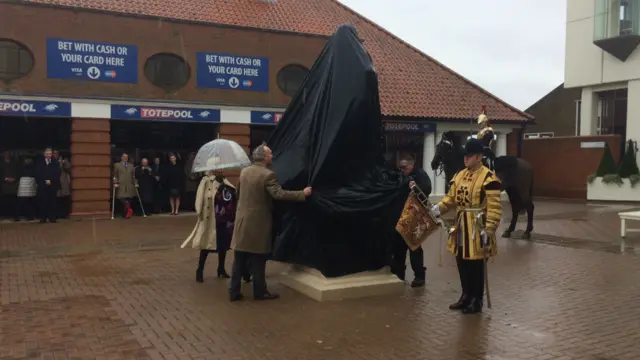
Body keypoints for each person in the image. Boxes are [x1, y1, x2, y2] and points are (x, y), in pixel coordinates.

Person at [229, 144, 312, 302]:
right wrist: (303, 193)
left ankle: (233, 292)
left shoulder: (244, 172)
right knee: (258, 259)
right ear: (264, 157)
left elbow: (237, 194)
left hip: (241, 221)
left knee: (238, 259)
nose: (272, 156)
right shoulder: (268, 175)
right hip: (258, 223)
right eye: (270, 154)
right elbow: (278, 194)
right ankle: (260, 292)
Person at [431, 138, 502, 314]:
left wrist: (490, 228)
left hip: (478, 226)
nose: (465, 159)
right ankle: (465, 295)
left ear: (479, 157)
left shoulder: (488, 178)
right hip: (461, 224)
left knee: (476, 264)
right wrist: (439, 207)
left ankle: (476, 299)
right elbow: (451, 198)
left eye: (469, 156)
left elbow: (494, 206)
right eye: (465, 156)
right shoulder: (460, 174)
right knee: (461, 260)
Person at [182, 172, 237, 282]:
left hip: (223, 218)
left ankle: (221, 268)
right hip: (210, 218)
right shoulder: (206, 181)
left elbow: (231, 195)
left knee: (223, 244)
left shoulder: (225, 181)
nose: (221, 170)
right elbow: (200, 198)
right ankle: (200, 270)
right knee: (206, 245)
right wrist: (200, 213)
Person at [391, 157, 432, 287]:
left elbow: (425, 190)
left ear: (411, 165)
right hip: (401, 216)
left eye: (405, 167)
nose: (402, 170)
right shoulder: (401, 176)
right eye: (400, 168)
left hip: (415, 217)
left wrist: (414, 187)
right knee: (399, 247)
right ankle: (399, 274)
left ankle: (419, 276)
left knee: (414, 247)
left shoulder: (420, 175)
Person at [35, 148, 61, 223]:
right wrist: (45, 181)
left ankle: (52, 217)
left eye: (50, 154)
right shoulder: (39, 163)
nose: (49, 155)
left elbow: (57, 173)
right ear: (44, 154)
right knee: (43, 202)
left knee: (52, 202)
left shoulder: (55, 162)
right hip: (42, 186)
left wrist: (50, 181)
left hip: (52, 186)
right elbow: (37, 173)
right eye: (47, 154)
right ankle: (43, 218)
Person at [112, 153, 138, 219]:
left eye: (126, 157)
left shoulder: (131, 166)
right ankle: (129, 210)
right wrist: (115, 182)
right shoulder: (117, 165)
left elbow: (133, 176)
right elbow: (115, 175)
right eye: (124, 157)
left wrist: (135, 183)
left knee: (128, 199)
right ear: (121, 157)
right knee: (121, 198)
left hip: (129, 185)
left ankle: (126, 214)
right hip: (121, 184)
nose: (125, 158)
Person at [15, 157, 37, 221]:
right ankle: (17, 217)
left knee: (30, 201)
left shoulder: (34, 167)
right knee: (21, 201)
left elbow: (35, 174)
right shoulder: (20, 167)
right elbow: (18, 175)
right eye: (26, 159)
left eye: (29, 159)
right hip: (23, 185)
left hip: (31, 185)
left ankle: (30, 216)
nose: (28, 160)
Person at [476, 106, 496, 171]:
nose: (480, 125)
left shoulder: (489, 130)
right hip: (479, 150)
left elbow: (488, 138)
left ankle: (491, 170)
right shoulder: (479, 132)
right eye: (479, 124)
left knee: (488, 161)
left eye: (481, 123)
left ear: (485, 122)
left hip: (486, 150)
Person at [53, 150, 72, 219]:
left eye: (56, 153)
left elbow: (69, 169)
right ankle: (57, 214)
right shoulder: (51, 162)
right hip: (55, 183)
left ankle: (65, 214)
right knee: (56, 200)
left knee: (65, 199)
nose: (55, 155)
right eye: (53, 153)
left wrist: (63, 163)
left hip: (64, 182)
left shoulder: (64, 161)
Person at [0, 150, 19, 219]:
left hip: (14, 185)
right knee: (4, 201)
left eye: (8, 153)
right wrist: (5, 179)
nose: (7, 155)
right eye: (6, 154)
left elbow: (18, 173)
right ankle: (4, 216)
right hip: (4, 185)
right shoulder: (1, 163)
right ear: (3, 154)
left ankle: (15, 216)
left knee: (14, 201)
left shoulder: (15, 163)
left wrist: (14, 179)